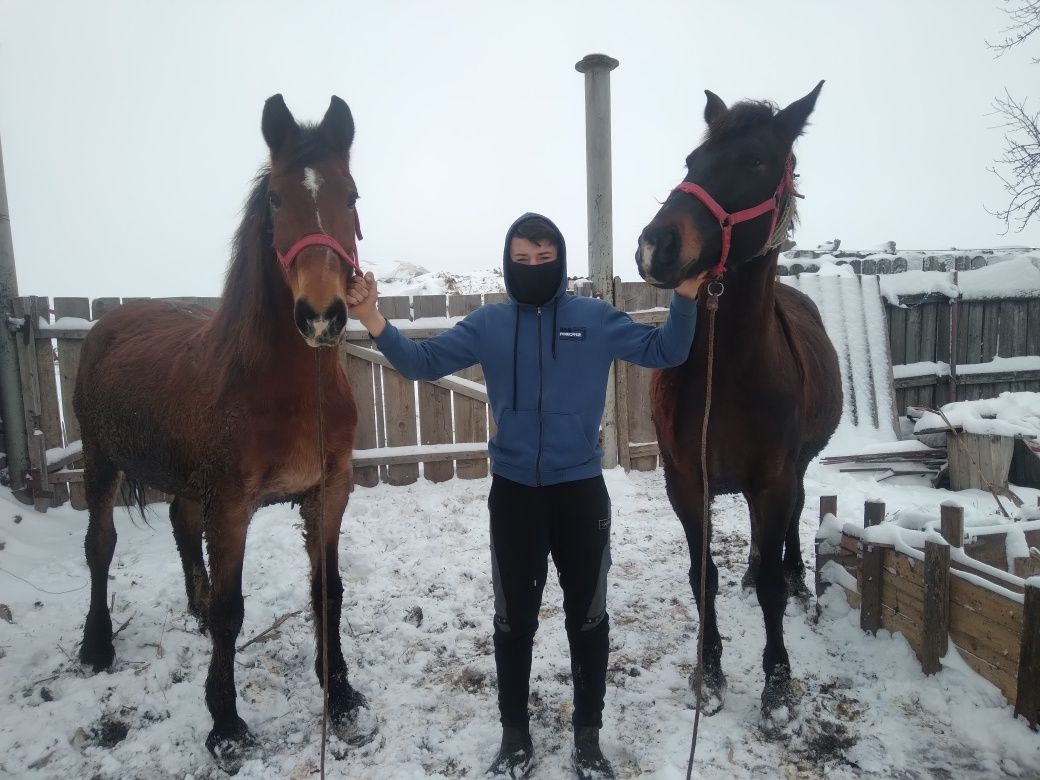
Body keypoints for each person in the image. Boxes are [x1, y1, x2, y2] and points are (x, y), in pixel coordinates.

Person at [346, 213, 705, 779]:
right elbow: (421, 362)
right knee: (513, 621)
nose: (533, 268)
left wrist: (686, 292)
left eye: (544, 258)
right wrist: (371, 317)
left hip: (580, 493)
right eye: (522, 259)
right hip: (514, 495)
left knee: (588, 618)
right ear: (507, 261)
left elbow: (668, 350)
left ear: (559, 261)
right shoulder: (489, 323)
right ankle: (515, 736)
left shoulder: (594, 319)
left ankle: (588, 736)